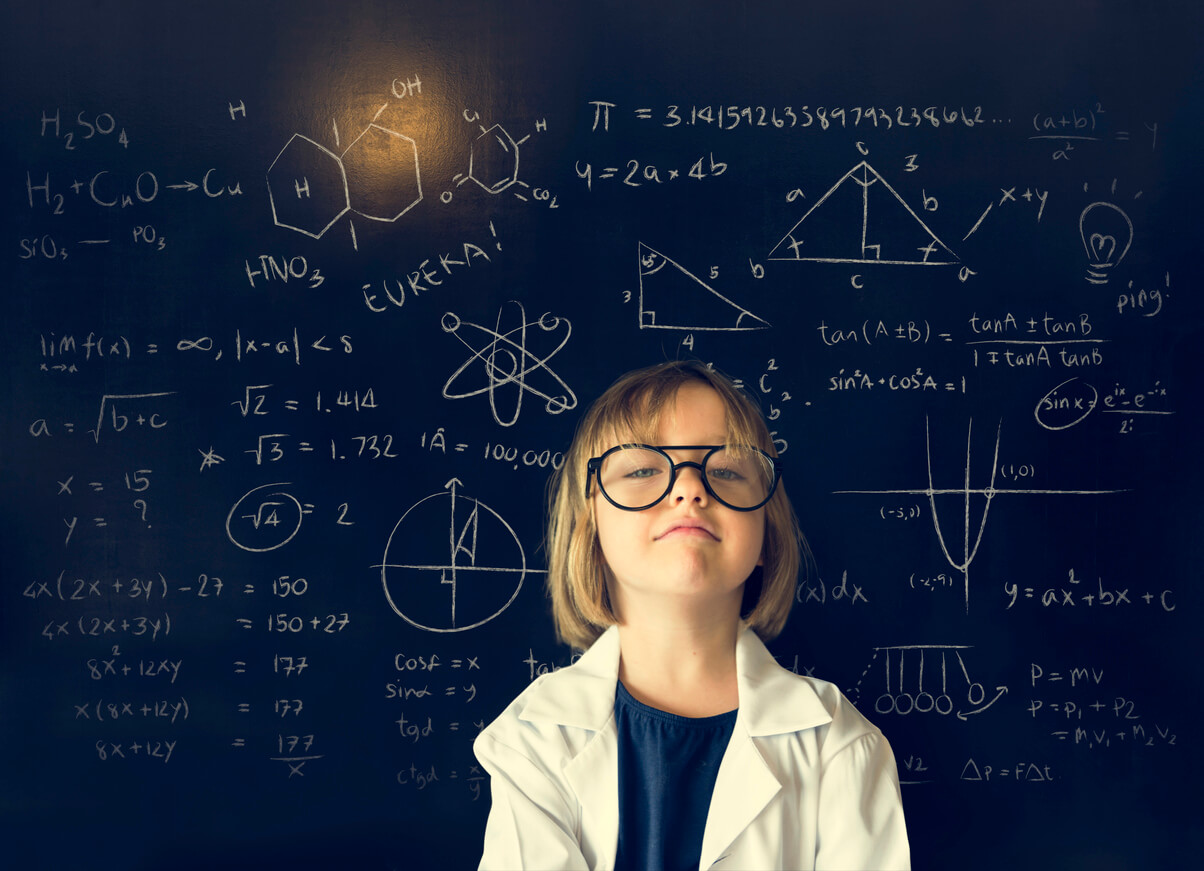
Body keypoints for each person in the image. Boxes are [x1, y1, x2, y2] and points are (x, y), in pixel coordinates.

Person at [474, 360, 910, 870]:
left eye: (725, 470)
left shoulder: (839, 747)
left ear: (766, 533)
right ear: (590, 527)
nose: (689, 490)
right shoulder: (533, 742)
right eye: (641, 471)